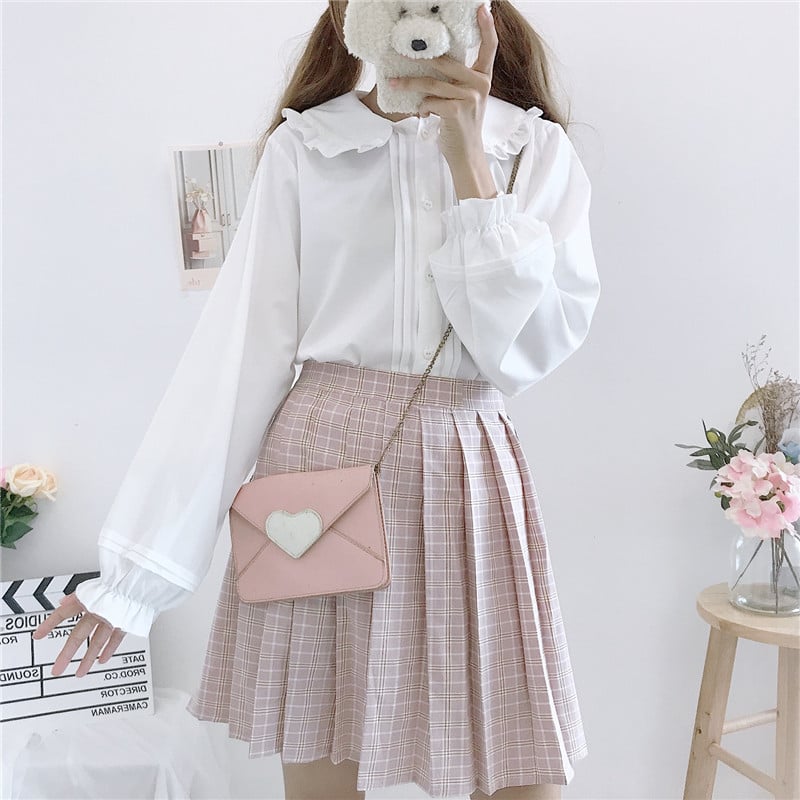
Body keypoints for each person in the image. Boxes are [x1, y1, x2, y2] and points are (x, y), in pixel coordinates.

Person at [33, 2, 601, 798]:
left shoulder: (534, 151)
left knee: (520, 767)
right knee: (324, 771)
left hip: (462, 466)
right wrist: (136, 578)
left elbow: (524, 351)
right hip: (317, 463)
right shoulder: (308, 147)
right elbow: (239, 356)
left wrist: (469, 161)